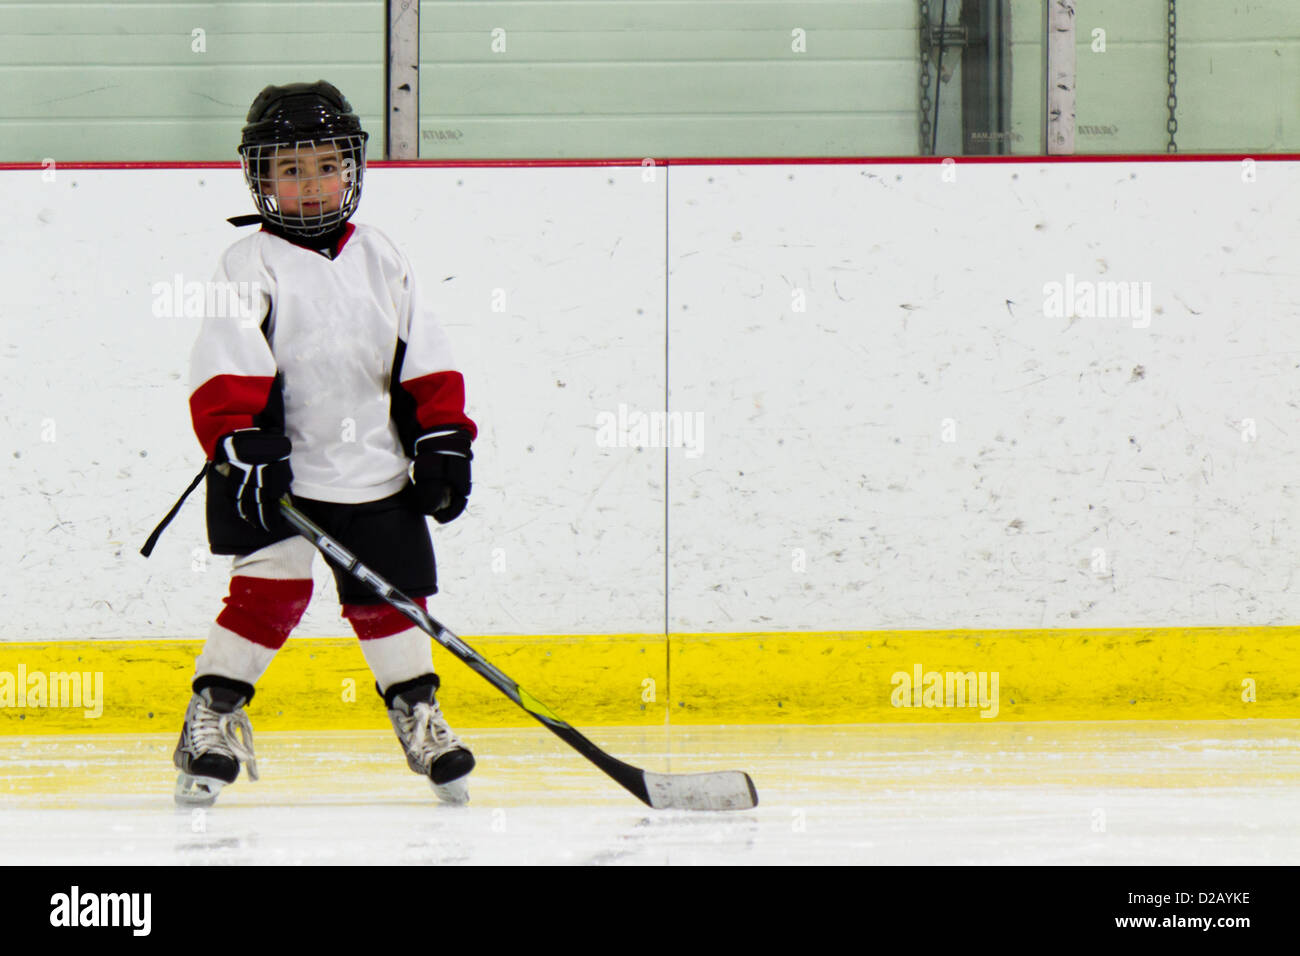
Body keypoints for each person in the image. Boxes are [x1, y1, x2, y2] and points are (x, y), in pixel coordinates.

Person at [171, 80, 477, 807]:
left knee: (393, 599)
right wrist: (239, 437)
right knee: (265, 595)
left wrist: (442, 439)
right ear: (261, 177)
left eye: (326, 164)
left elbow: (423, 356)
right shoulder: (248, 263)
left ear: (354, 167)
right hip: (273, 470)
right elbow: (224, 358)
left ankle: (417, 711)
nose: (311, 183)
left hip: (372, 465)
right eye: (291, 168)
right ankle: (210, 715)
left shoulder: (382, 256)